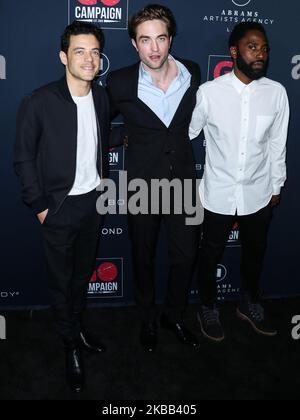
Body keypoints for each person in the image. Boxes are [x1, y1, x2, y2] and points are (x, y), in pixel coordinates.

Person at [14, 21, 110, 392]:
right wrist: (40, 206)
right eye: (79, 51)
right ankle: (70, 344)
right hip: (58, 207)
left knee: (82, 275)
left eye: (94, 51)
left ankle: (77, 327)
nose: (89, 59)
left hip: (93, 205)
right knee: (61, 281)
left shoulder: (100, 97)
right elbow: (23, 158)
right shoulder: (38, 101)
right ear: (63, 56)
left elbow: (96, 137)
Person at [106, 4, 201, 353]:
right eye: (145, 40)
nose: (155, 48)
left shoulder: (192, 72)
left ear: (170, 38)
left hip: (184, 182)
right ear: (134, 44)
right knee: (142, 255)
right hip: (142, 184)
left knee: (186, 255)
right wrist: (122, 137)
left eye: (161, 38)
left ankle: (173, 315)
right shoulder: (118, 82)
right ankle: (147, 317)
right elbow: (97, 124)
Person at [189, 22, 290, 342]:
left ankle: (250, 303)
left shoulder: (276, 93)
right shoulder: (209, 93)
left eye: (264, 48)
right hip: (216, 193)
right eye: (252, 47)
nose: (260, 53)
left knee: (255, 253)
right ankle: (207, 306)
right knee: (209, 254)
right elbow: (185, 133)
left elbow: (278, 144)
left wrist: (276, 186)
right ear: (234, 51)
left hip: (259, 193)